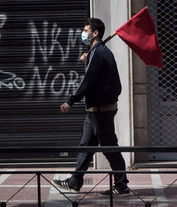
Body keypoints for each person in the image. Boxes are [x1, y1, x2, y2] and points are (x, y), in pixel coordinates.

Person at [53, 18, 129, 196]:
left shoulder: (99, 52)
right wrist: (88, 61)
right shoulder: (96, 52)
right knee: (86, 145)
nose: (83, 33)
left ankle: (121, 184)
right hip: (94, 110)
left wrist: (70, 101)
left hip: (101, 110)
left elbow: (88, 81)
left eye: (86, 30)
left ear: (95, 33)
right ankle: (75, 181)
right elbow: (96, 76)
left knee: (110, 147)